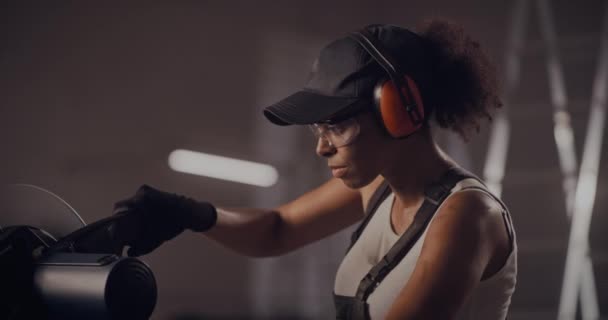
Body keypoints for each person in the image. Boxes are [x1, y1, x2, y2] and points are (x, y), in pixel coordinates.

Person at [114, 20, 517, 320]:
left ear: (400, 111)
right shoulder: (379, 186)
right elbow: (278, 229)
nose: (321, 147)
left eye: (337, 126)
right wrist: (192, 214)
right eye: (318, 128)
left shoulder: (466, 216)